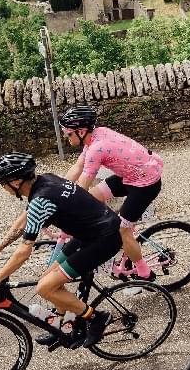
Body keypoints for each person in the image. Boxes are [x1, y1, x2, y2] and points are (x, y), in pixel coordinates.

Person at [0, 152, 123, 349]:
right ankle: (63, 326)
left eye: (3, 183)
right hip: (89, 234)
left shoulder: (40, 200)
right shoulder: (45, 180)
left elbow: (23, 253)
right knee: (48, 278)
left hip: (104, 239)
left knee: (44, 287)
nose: (3, 187)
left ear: (16, 182)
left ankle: (97, 318)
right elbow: (22, 223)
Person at [58, 105, 163, 282]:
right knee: (94, 197)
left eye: (68, 134)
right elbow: (77, 167)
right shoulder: (95, 135)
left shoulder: (97, 148)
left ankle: (144, 272)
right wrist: (57, 190)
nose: (65, 137)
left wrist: (64, 209)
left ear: (81, 131)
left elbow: (82, 186)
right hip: (131, 176)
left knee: (122, 230)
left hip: (145, 184)